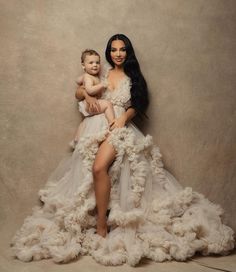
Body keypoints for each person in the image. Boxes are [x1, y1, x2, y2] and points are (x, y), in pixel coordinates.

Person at [11, 34, 234, 266]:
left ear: (128, 52)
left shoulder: (134, 77)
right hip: (95, 126)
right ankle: (101, 219)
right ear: (109, 52)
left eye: (122, 49)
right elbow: (79, 91)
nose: (118, 53)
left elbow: (138, 104)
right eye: (114, 49)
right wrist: (87, 95)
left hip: (117, 126)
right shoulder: (102, 72)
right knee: (92, 172)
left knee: (99, 168)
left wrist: (122, 119)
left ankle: (101, 226)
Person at [70, 49, 115, 149]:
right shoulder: (89, 77)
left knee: (85, 122)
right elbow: (90, 90)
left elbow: (77, 81)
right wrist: (102, 85)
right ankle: (112, 123)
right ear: (83, 65)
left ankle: (77, 139)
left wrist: (82, 77)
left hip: (85, 106)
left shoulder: (86, 76)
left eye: (97, 62)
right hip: (90, 105)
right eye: (91, 63)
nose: (95, 65)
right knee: (107, 104)